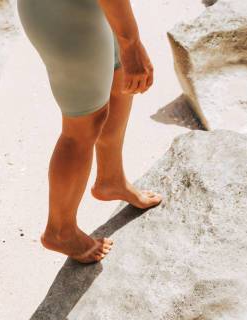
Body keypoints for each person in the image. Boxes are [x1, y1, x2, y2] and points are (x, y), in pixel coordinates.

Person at [17, 0, 162, 263]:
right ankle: (60, 230)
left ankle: (111, 179)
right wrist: (132, 43)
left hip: (94, 6)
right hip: (64, 14)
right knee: (82, 125)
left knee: (119, 81)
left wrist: (128, 39)